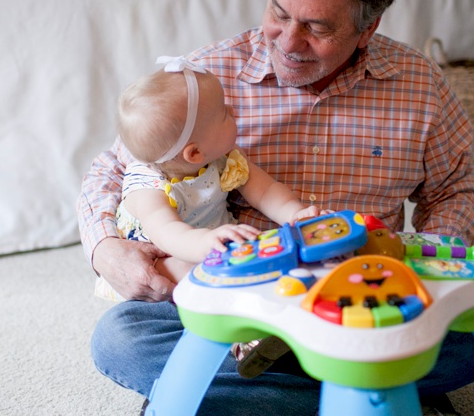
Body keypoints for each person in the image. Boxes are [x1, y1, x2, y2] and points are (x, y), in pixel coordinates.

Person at [79, 0, 474, 416]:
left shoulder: (420, 86)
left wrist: (424, 260)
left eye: (318, 28)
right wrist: (107, 249)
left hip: (359, 293)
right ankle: (396, 411)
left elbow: (453, 189)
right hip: (239, 300)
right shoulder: (204, 82)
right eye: (279, 12)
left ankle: (203, 406)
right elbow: (111, 170)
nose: (289, 41)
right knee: (122, 338)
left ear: (368, 26)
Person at [95, 55, 322, 301]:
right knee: (187, 272)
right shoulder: (147, 189)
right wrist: (207, 241)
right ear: (194, 153)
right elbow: (169, 233)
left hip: (213, 241)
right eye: (224, 113)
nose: (232, 110)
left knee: (242, 269)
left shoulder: (224, 158)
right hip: (164, 255)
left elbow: (265, 192)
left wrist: (294, 213)